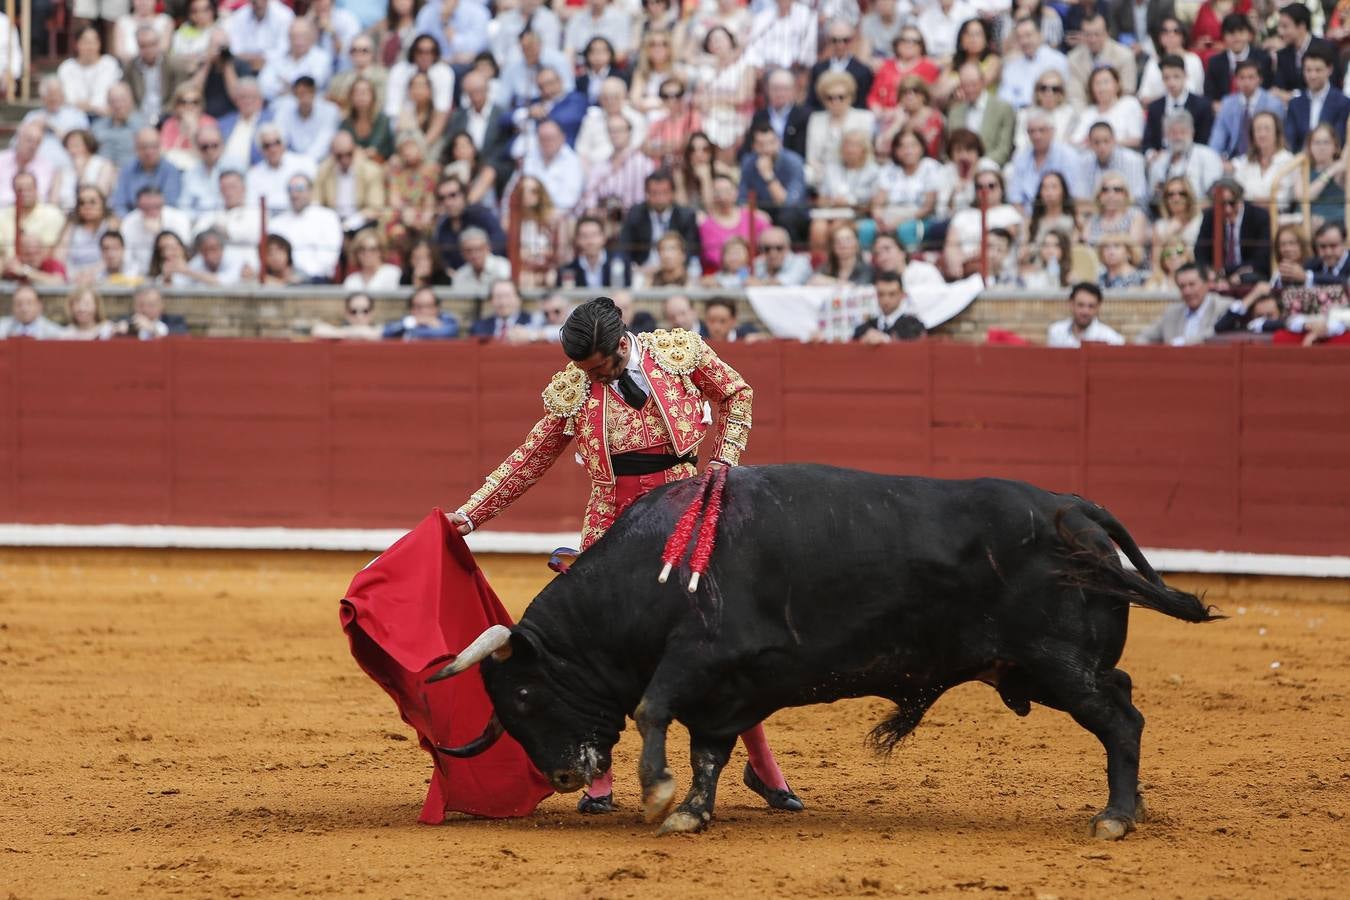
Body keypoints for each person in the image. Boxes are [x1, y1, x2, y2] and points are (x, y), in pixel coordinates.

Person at [445, 297, 800, 815]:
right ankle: (599, 776)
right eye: (585, 372)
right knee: (597, 651)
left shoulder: (678, 351)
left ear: (619, 344)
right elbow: (531, 456)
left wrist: (724, 464)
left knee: (720, 641)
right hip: (612, 523)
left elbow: (737, 393)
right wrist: (472, 515)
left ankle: (762, 765)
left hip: (684, 507)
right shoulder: (573, 388)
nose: (593, 379)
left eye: (599, 369)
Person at [1195, 178, 1272, 287]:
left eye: (1232, 203)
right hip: (1218, 278)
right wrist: (1209, 272)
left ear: (1240, 199)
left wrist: (1230, 273)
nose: (1227, 209)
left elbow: (1262, 258)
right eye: (1221, 205)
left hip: (1248, 276)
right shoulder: (1210, 216)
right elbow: (1200, 252)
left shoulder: (1259, 216)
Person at [270, 175, 343, 282]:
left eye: (299, 189)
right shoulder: (276, 222)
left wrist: (302, 277)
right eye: (290, 190)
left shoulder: (328, 217)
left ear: (311, 191)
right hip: (281, 280)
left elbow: (329, 258)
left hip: (316, 281)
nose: (294, 194)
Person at [1209, 59, 1286, 160]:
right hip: (1232, 159)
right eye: (1242, 78)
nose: (1246, 82)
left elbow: (1277, 138)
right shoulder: (1228, 103)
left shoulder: (1273, 104)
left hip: (1262, 158)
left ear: (1260, 79)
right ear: (1235, 80)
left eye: (1251, 77)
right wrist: (1214, 159)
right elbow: (1217, 137)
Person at [1136, 262, 1227, 345]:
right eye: (1182, 286)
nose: (1187, 291)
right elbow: (1143, 337)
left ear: (1207, 284)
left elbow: (1215, 334)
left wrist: (1182, 343)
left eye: (1192, 284)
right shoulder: (1172, 312)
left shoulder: (1222, 307)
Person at [946, 62, 1016, 166]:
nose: (969, 89)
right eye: (965, 85)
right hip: (960, 169)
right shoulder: (955, 111)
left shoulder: (1003, 108)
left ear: (983, 82)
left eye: (973, 84)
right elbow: (951, 147)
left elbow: (1003, 150)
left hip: (990, 167)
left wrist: (979, 165)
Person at [1284, 45, 1350, 154]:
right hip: (1300, 163)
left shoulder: (1343, 103)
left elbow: (1340, 139)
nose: (1312, 75)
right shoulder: (1295, 104)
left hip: (1333, 164)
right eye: (1308, 70)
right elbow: (1290, 141)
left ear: (1329, 70)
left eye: (1318, 70)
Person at [1143, 55, 1214, 155]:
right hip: (1162, 159)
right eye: (1166, 78)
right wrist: (1151, 154)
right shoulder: (1155, 107)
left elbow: (1205, 139)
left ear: (1185, 76)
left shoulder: (1202, 105)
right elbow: (1148, 142)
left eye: (1176, 76)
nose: (1171, 83)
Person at [1046, 282, 1126, 348]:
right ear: (1071, 304)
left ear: (1098, 307)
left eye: (1091, 306)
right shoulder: (1056, 332)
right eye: (1081, 305)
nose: (1085, 311)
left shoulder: (1111, 339)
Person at [852, 271, 919, 343]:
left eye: (892, 294)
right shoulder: (866, 327)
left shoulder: (913, 325)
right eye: (881, 294)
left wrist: (886, 339)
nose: (886, 300)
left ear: (902, 295)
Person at [469, 279, 537, 341]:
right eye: (498, 297)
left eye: (508, 296)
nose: (503, 302)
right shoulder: (479, 327)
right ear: (491, 301)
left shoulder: (533, 322)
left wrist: (530, 335)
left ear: (518, 299)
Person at [112, 285, 189, 340]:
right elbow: (106, 330)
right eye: (141, 305)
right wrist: (115, 330)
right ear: (134, 306)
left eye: (151, 305)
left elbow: (183, 335)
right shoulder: (126, 320)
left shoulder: (175, 321)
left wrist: (153, 328)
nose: (145, 310)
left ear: (161, 306)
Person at [381, 286, 458, 340]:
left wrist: (410, 332)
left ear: (437, 308)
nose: (423, 311)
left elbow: (447, 333)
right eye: (418, 306)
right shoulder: (408, 320)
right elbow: (386, 332)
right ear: (411, 309)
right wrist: (412, 322)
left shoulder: (447, 320)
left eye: (428, 306)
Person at [0, 285, 64, 339]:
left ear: (39, 306)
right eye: (19, 304)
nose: (24, 309)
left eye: (29, 303)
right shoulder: (2, 328)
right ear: (12, 307)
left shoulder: (54, 332)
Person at [312, 292, 384, 340]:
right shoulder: (340, 329)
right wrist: (356, 332)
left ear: (372, 313)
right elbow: (317, 329)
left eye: (365, 311)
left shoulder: (380, 329)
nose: (359, 316)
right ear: (346, 314)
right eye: (353, 312)